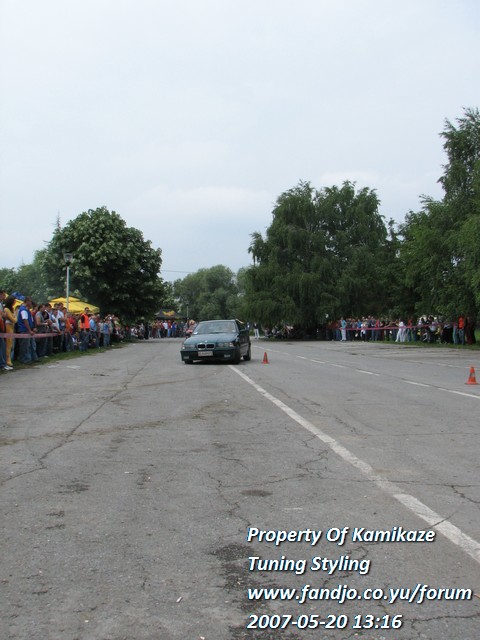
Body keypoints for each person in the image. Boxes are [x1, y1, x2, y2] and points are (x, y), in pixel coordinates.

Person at [17, 297, 38, 364]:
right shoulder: (23, 310)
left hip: (28, 330)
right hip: (24, 330)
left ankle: (30, 358)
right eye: (30, 302)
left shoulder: (27, 310)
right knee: (25, 346)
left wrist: (32, 328)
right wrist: (29, 330)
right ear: (27, 301)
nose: (31, 303)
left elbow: (30, 320)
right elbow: (25, 321)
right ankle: (24, 359)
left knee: (29, 345)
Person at [3, 295, 16, 368]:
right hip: (8, 327)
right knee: (8, 345)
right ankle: (7, 360)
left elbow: (14, 319)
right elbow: (14, 320)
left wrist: (14, 317)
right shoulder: (6, 309)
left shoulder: (12, 309)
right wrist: (14, 317)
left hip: (12, 327)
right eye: (14, 301)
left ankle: (9, 359)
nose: (15, 302)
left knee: (11, 345)